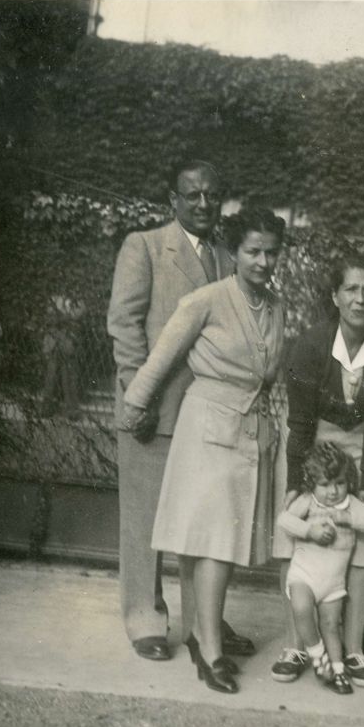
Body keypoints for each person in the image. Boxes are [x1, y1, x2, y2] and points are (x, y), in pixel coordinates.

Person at [120, 207, 287, 694]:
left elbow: (269, 372)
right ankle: (209, 651)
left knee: (216, 544)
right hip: (208, 427)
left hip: (251, 431)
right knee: (212, 542)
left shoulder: (275, 306)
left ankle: (201, 634)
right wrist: (134, 408)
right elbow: (161, 358)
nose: (262, 261)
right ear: (233, 252)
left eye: (271, 252)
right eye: (253, 251)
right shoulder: (205, 300)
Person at [108, 160, 254, 662]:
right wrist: (136, 397)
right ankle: (145, 619)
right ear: (173, 199)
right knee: (144, 521)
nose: (203, 204)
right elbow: (125, 325)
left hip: (207, 414)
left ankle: (202, 624)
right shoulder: (145, 246)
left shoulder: (224, 255)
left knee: (200, 521)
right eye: (191, 195)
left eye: (212, 196)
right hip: (154, 408)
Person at [272, 255, 364, 688]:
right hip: (309, 447)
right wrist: (296, 483)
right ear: (335, 296)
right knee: (297, 542)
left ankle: (353, 652)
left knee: (360, 548)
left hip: (362, 444)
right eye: (351, 289)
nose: (360, 298)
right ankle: (296, 645)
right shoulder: (310, 345)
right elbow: (300, 422)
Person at [276, 442, 364, 695]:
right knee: (301, 607)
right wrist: (309, 531)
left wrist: (350, 519)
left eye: (339, 483)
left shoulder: (350, 505)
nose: (333, 491)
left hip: (333, 583)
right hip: (304, 574)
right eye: (324, 485)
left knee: (331, 625)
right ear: (312, 484)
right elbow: (284, 519)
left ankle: (337, 672)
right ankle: (317, 654)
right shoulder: (308, 502)